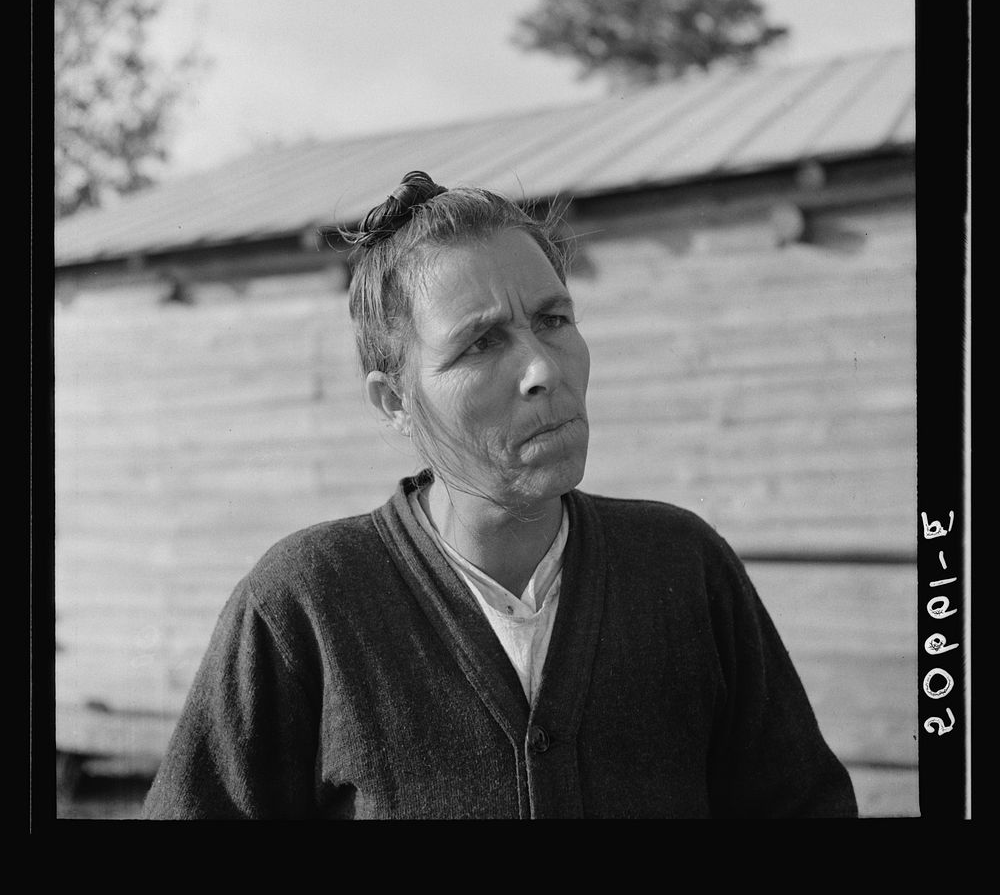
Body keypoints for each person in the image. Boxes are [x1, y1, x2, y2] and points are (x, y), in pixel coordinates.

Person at [141, 170, 858, 819]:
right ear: (394, 402)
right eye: (481, 344)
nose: (543, 368)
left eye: (554, 319)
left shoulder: (683, 570)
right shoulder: (306, 603)